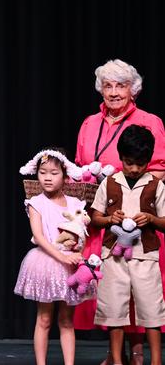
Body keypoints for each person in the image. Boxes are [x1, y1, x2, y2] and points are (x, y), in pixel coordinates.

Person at [74, 59, 165, 365]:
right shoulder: (89, 123)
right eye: (108, 86)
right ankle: (115, 354)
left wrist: (123, 180)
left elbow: (161, 169)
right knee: (111, 289)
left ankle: (138, 351)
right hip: (100, 215)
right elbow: (77, 166)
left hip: (137, 218)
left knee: (140, 288)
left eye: (121, 85)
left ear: (133, 90)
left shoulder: (149, 120)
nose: (113, 92)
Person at [90, 125, 165, 365]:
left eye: (140, 164)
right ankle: (116, 359)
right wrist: (110, 219)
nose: (134, 169)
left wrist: (152, 219)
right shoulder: (109, 182)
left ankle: (155, 360)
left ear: (148, 160)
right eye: (129, 162)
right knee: (114, 309)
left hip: (146, 255)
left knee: (151, 308)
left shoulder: (156, 185)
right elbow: (95, 217)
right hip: (114, 255)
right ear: (121, 157)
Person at [15, 149, 93, 365]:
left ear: (65, 175)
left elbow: (81, 233)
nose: (47, 177)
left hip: (70, 264)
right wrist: (61, 256)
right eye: (42, 172)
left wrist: (78, 253)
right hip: (47, 261)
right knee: (45, 318)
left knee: (67, 320)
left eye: (53, 173)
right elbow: (39, 237)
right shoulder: (35, 202)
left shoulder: (76, 204)